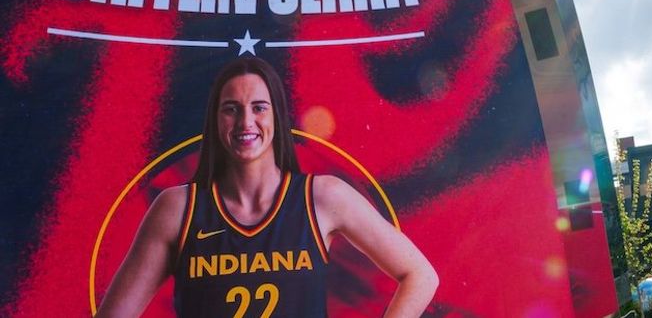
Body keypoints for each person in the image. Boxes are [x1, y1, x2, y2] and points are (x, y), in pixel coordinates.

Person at [97, 57, 438, 317]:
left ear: (277, 115)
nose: (246, 121)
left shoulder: (324, 197)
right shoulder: (177, 209)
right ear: (216, 120)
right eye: (231, 109)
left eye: (259, 108)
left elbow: (420, 275)